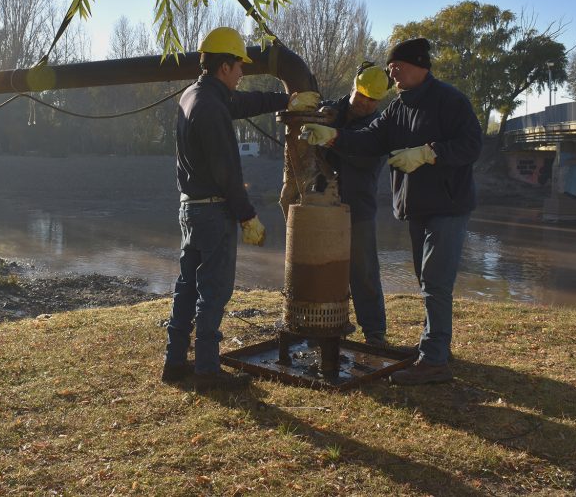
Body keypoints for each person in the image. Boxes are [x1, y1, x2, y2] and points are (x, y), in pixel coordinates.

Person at [301, 37, 482, 385]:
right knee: (427, 280)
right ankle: (434, 347)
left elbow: (471, 145)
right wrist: (332, 136)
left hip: (448, 206)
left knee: (436, 282)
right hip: (416, 207)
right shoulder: (399, 107)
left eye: (398, 68)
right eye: (391, 69)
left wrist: (428, 153)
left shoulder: (450, 101)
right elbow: (369, 139)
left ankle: (434, 360)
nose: (392, 74)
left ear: (420, 67)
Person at [163, 26, 320, 389]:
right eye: (239, 67)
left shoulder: (195, 95)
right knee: (213, 291)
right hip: (214, 211)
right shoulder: (211, 107)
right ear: (224, 68)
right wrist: (247, 215)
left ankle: (175, 363)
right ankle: (206, 370)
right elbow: (226, 172)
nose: (243, 73)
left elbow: (244, 103)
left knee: (187, 286)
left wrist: (286, 100)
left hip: (190, 208)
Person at [319, 62, 390, 347]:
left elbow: (366, 155)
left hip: (358, 207)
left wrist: (333, 139)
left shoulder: (379, 126)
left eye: (372, 100)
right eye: (361, 95)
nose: (364, 103)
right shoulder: (333, 110)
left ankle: (374, 332)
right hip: (323, 206)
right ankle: (322, 325)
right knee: (321, 267)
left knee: (364, 272)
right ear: (353, 88)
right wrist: (320, 115)